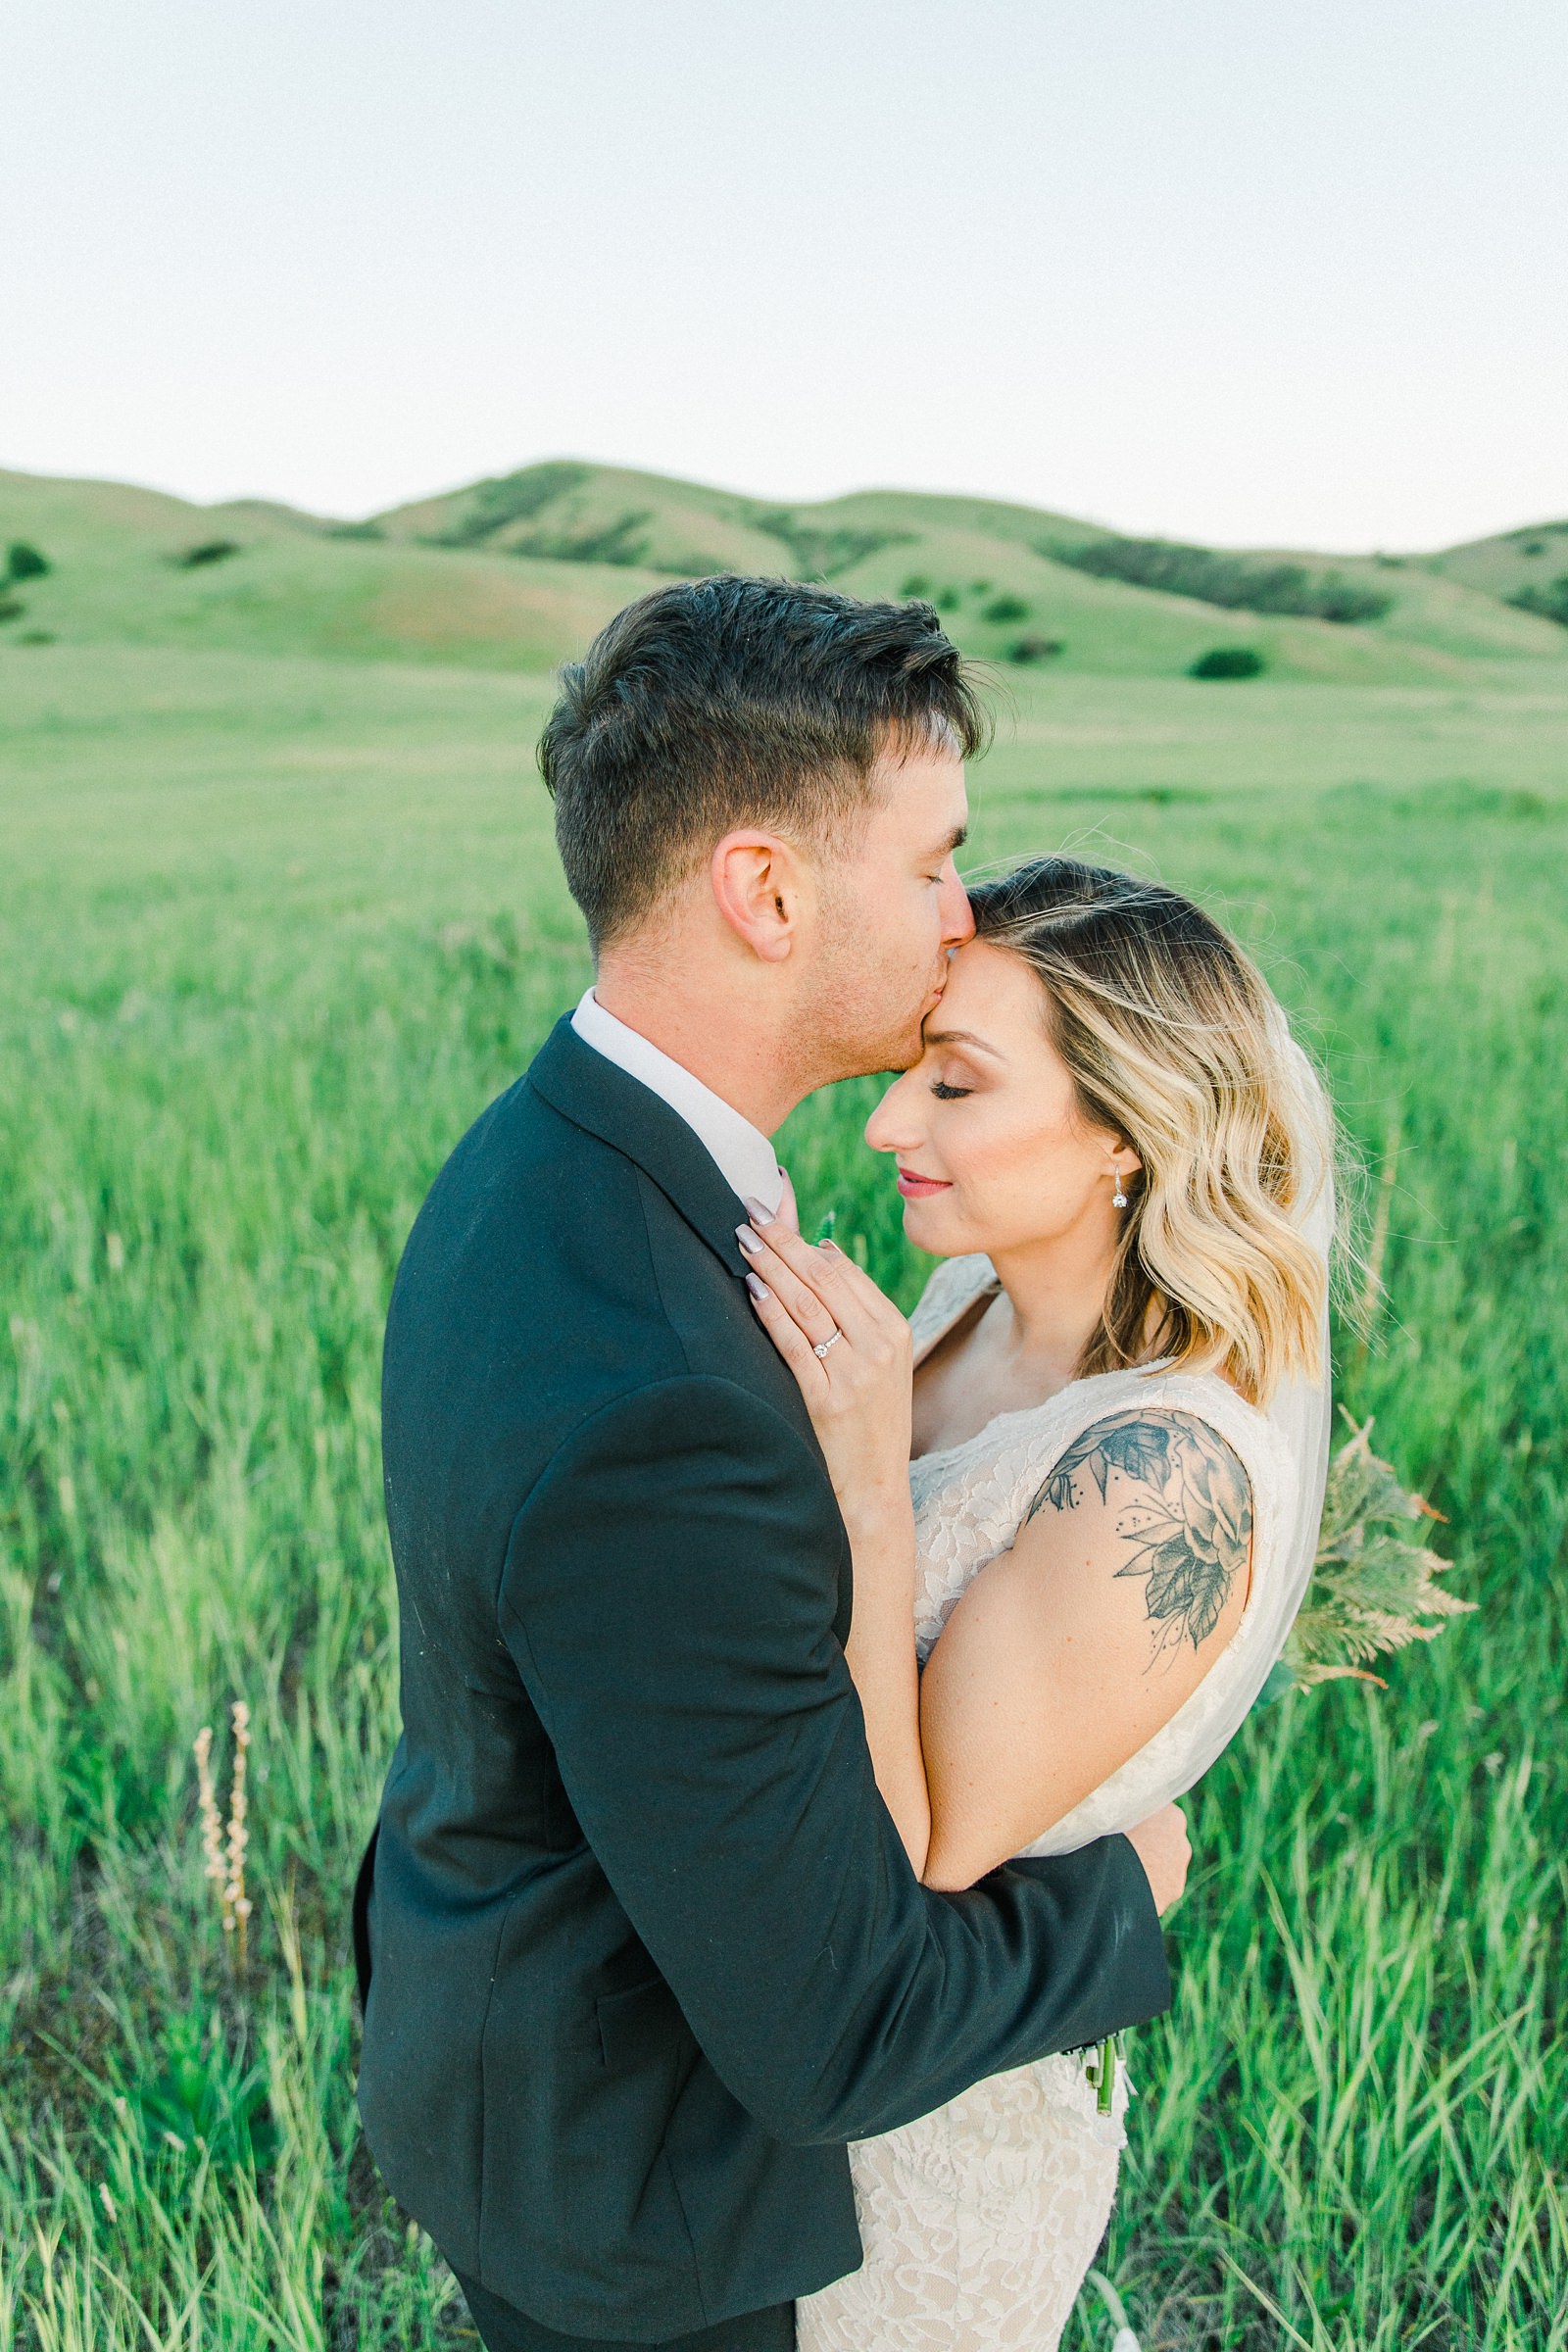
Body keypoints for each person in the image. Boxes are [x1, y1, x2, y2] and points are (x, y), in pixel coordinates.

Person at [353, 578, 1190, 2352]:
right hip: (646, 2221)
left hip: (502, 2051)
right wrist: (1126, 1893)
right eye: (933, 860)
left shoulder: (542, 1154)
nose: (963, 921)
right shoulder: (666, 1397)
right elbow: (836, 2036)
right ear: (767, 891)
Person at [739, 856, 1336, 2351]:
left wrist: (869, 1481)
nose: (885, 1121)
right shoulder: (974, 1304)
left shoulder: (1163, 1474)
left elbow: (927, 1845)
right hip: (782, 2081)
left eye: (956, 1086)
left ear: (1124, 1134)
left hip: (919, 2160)